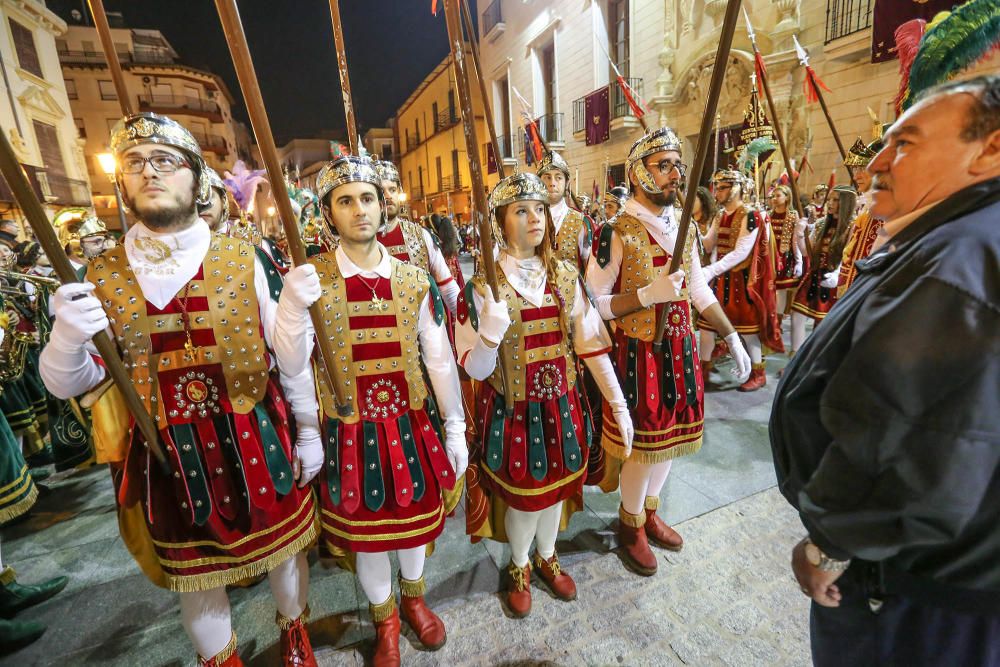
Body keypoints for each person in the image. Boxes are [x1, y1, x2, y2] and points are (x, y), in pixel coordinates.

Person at [39, 112, 321, 666]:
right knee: (195, 576)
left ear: (196, 177)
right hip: (166, 446)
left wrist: (308, 425)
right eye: (135, 163)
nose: (149, 172)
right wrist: (66, 341)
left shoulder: (246, 256)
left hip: (254, 429)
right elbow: (75, 382)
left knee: (285, 553)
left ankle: (295, 635)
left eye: (165, 161)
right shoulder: (100, 274)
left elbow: (289, 359)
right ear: (120, 182)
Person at [770, 75, 1000, 667]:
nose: (879, 159)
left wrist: (829, 546)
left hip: (914, 584)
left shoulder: (962, 259)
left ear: (991, 149)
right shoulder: (956, 239)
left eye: (908, 142)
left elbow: (904, 442)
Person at [272, 155, 468, 667]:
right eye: (345, 201)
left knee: (412, 523)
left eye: (368, 198)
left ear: (383, 207)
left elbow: (439, 357)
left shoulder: (411, 278)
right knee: (370, 537)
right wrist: (292, 310)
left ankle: (415, 598)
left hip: (408, 421)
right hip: (350, 430)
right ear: (328, 214)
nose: (359, 210)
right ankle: (385, 620)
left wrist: (456, 425)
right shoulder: (311, 281)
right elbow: (292, 365)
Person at [457, 171, 631, 615]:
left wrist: (618, 403)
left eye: (539, 209)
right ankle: (518, 564)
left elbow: (590, 346)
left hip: (563, 404)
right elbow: (475, 368)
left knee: (555, 491)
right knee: (525, 495)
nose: (534, 218)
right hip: (514, 409)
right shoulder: (481, 287)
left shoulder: (568, 275)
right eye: (521, 210)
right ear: (499, 221)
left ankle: (547, 555)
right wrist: (490, 336)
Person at [587, 128, 751, 575]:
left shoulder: (685, 226)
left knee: (673, 441)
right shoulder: (614, 232)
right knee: (643, 446)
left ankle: (650, 511)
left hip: (679, 349)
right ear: (639, 172)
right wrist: (645, 295)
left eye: (678, 164)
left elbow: (698, 289)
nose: (676, 173)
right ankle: (630, 523)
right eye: (664, 164)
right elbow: (594, 301)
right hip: (639, 353)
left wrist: (729, 333)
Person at [697, 169, 783, 391]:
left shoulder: (751, 215)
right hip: (719, 280)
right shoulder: (719, 215)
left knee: (747, 331)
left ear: (736, 188)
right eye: (716, 187)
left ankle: (758, 372)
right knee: (707, 327)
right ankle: (703, 369)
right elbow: (708, 244)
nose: (717, 192)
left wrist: (710, 270)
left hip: (741, 282)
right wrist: (692, 230)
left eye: (722, 187)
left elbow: (741, 251)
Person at [372, 161, 461, 314]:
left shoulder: (420, 235)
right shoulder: (360, 241)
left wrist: (474, 323)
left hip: (423, 330)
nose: (388, 196)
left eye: (392, 189)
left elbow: (448, 288)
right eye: (381, 191)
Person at [788, 186, 855, 355]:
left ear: (846, 203)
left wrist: (838, 273)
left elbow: (849, 255)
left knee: (823, 324)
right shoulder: (821, 224)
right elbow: (806, 252)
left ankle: (814, 359)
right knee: (797, 314)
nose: (830, 203)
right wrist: (800, 235)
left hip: (833, 279)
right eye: (830, 199)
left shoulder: (852, 226)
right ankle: (795, 356)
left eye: (835, 200)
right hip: (814, 276)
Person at [834, 137, 884, 296]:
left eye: (862, 168)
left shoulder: (888, 212)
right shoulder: (868, 210)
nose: (856, 176)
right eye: (855, 170)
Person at [537, 150, 594, 271]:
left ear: (566, 183)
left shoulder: (582, 223)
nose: (552, 183)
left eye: (558, 178)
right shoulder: (527, 221)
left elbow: (590, 272)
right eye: (547, 177)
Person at [768, 185, 802, 318]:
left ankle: (779, 319)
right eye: (773, 196)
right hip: (769, 255)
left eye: (778, 196)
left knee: (781, 290)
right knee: (769, 288)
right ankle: (770, 316)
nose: (774, 199)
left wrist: (799, 261)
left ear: (787, 197)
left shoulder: (793, 215)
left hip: (784, 256)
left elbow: (795, 240)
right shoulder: (768, 214)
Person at [691, 185, 719, 267]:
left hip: (709, 267)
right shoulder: (687, 221)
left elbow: (708, 247)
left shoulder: (713, 219)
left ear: (703, 201)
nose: (690, 204)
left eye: (694, 200)